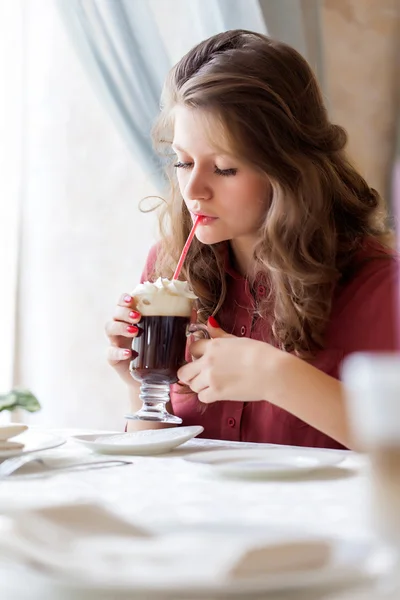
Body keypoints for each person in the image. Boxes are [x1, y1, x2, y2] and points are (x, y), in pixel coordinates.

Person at [105, 30, 397, 450]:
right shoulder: (169, 268)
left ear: (289, 170)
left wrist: (277, 376)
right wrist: (141, 384)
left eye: (224, 168)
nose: (194, 190)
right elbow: (157, 473)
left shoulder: (379, 289)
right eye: (184, 162)